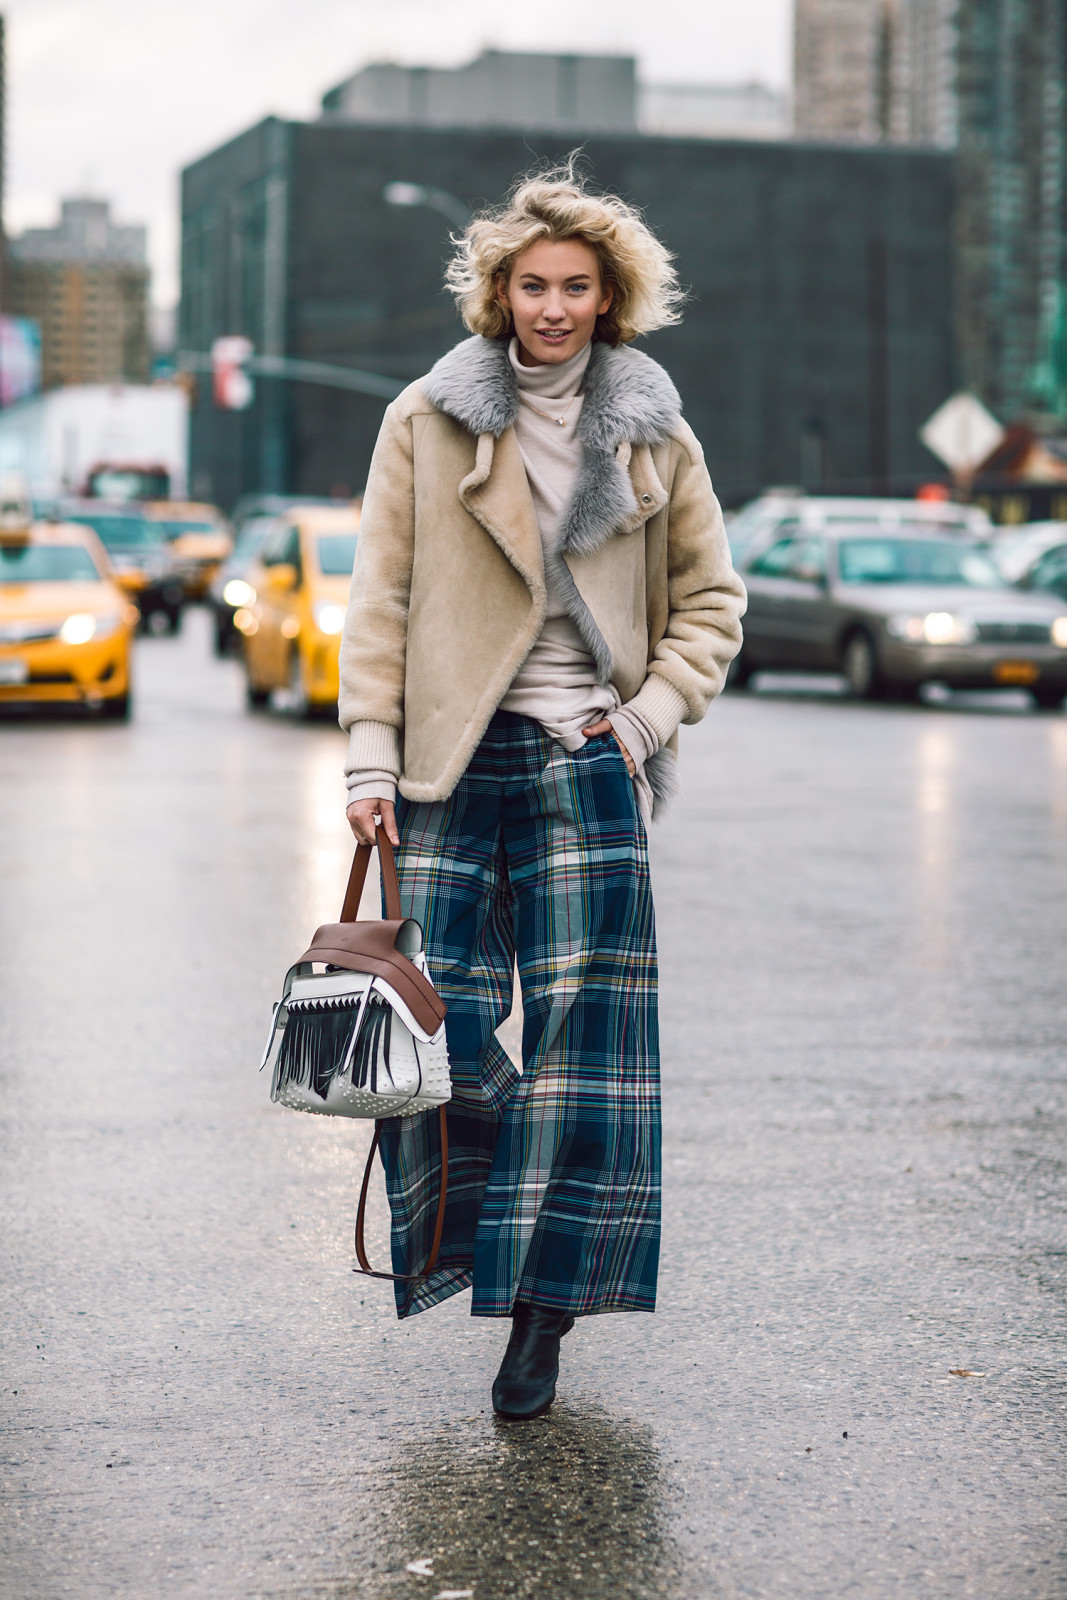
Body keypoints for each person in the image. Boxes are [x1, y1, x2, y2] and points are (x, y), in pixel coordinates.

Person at [339, 164, 745, 1419]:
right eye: (533, 285)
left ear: (609, 297)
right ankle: (508, 1226)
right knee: (433, 1025)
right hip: (450, 765)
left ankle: (542, 1314)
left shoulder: (654, 432)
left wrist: (637, 722)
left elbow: (711, 607)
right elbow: (382, 598)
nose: (553, 308)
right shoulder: (428, 416)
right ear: (497, 291)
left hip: (587, 762)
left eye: (576, 287)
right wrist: (367, 757)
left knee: (587, 1053)